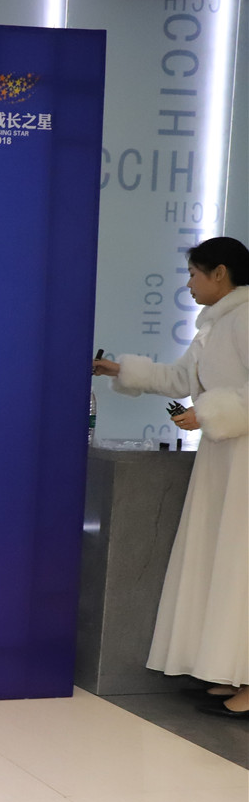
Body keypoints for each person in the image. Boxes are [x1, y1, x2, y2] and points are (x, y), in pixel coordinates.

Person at [92, 236, 248, 717]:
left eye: (194, 273)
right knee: (222, 563)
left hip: (242, 458)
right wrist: (119, 369)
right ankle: (230, 671)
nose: (189, 283)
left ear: (220, 273)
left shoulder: (245, 317)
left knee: (240, 564)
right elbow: (182, 379)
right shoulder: (216, 323)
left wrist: (209, 412)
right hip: (224, 458)